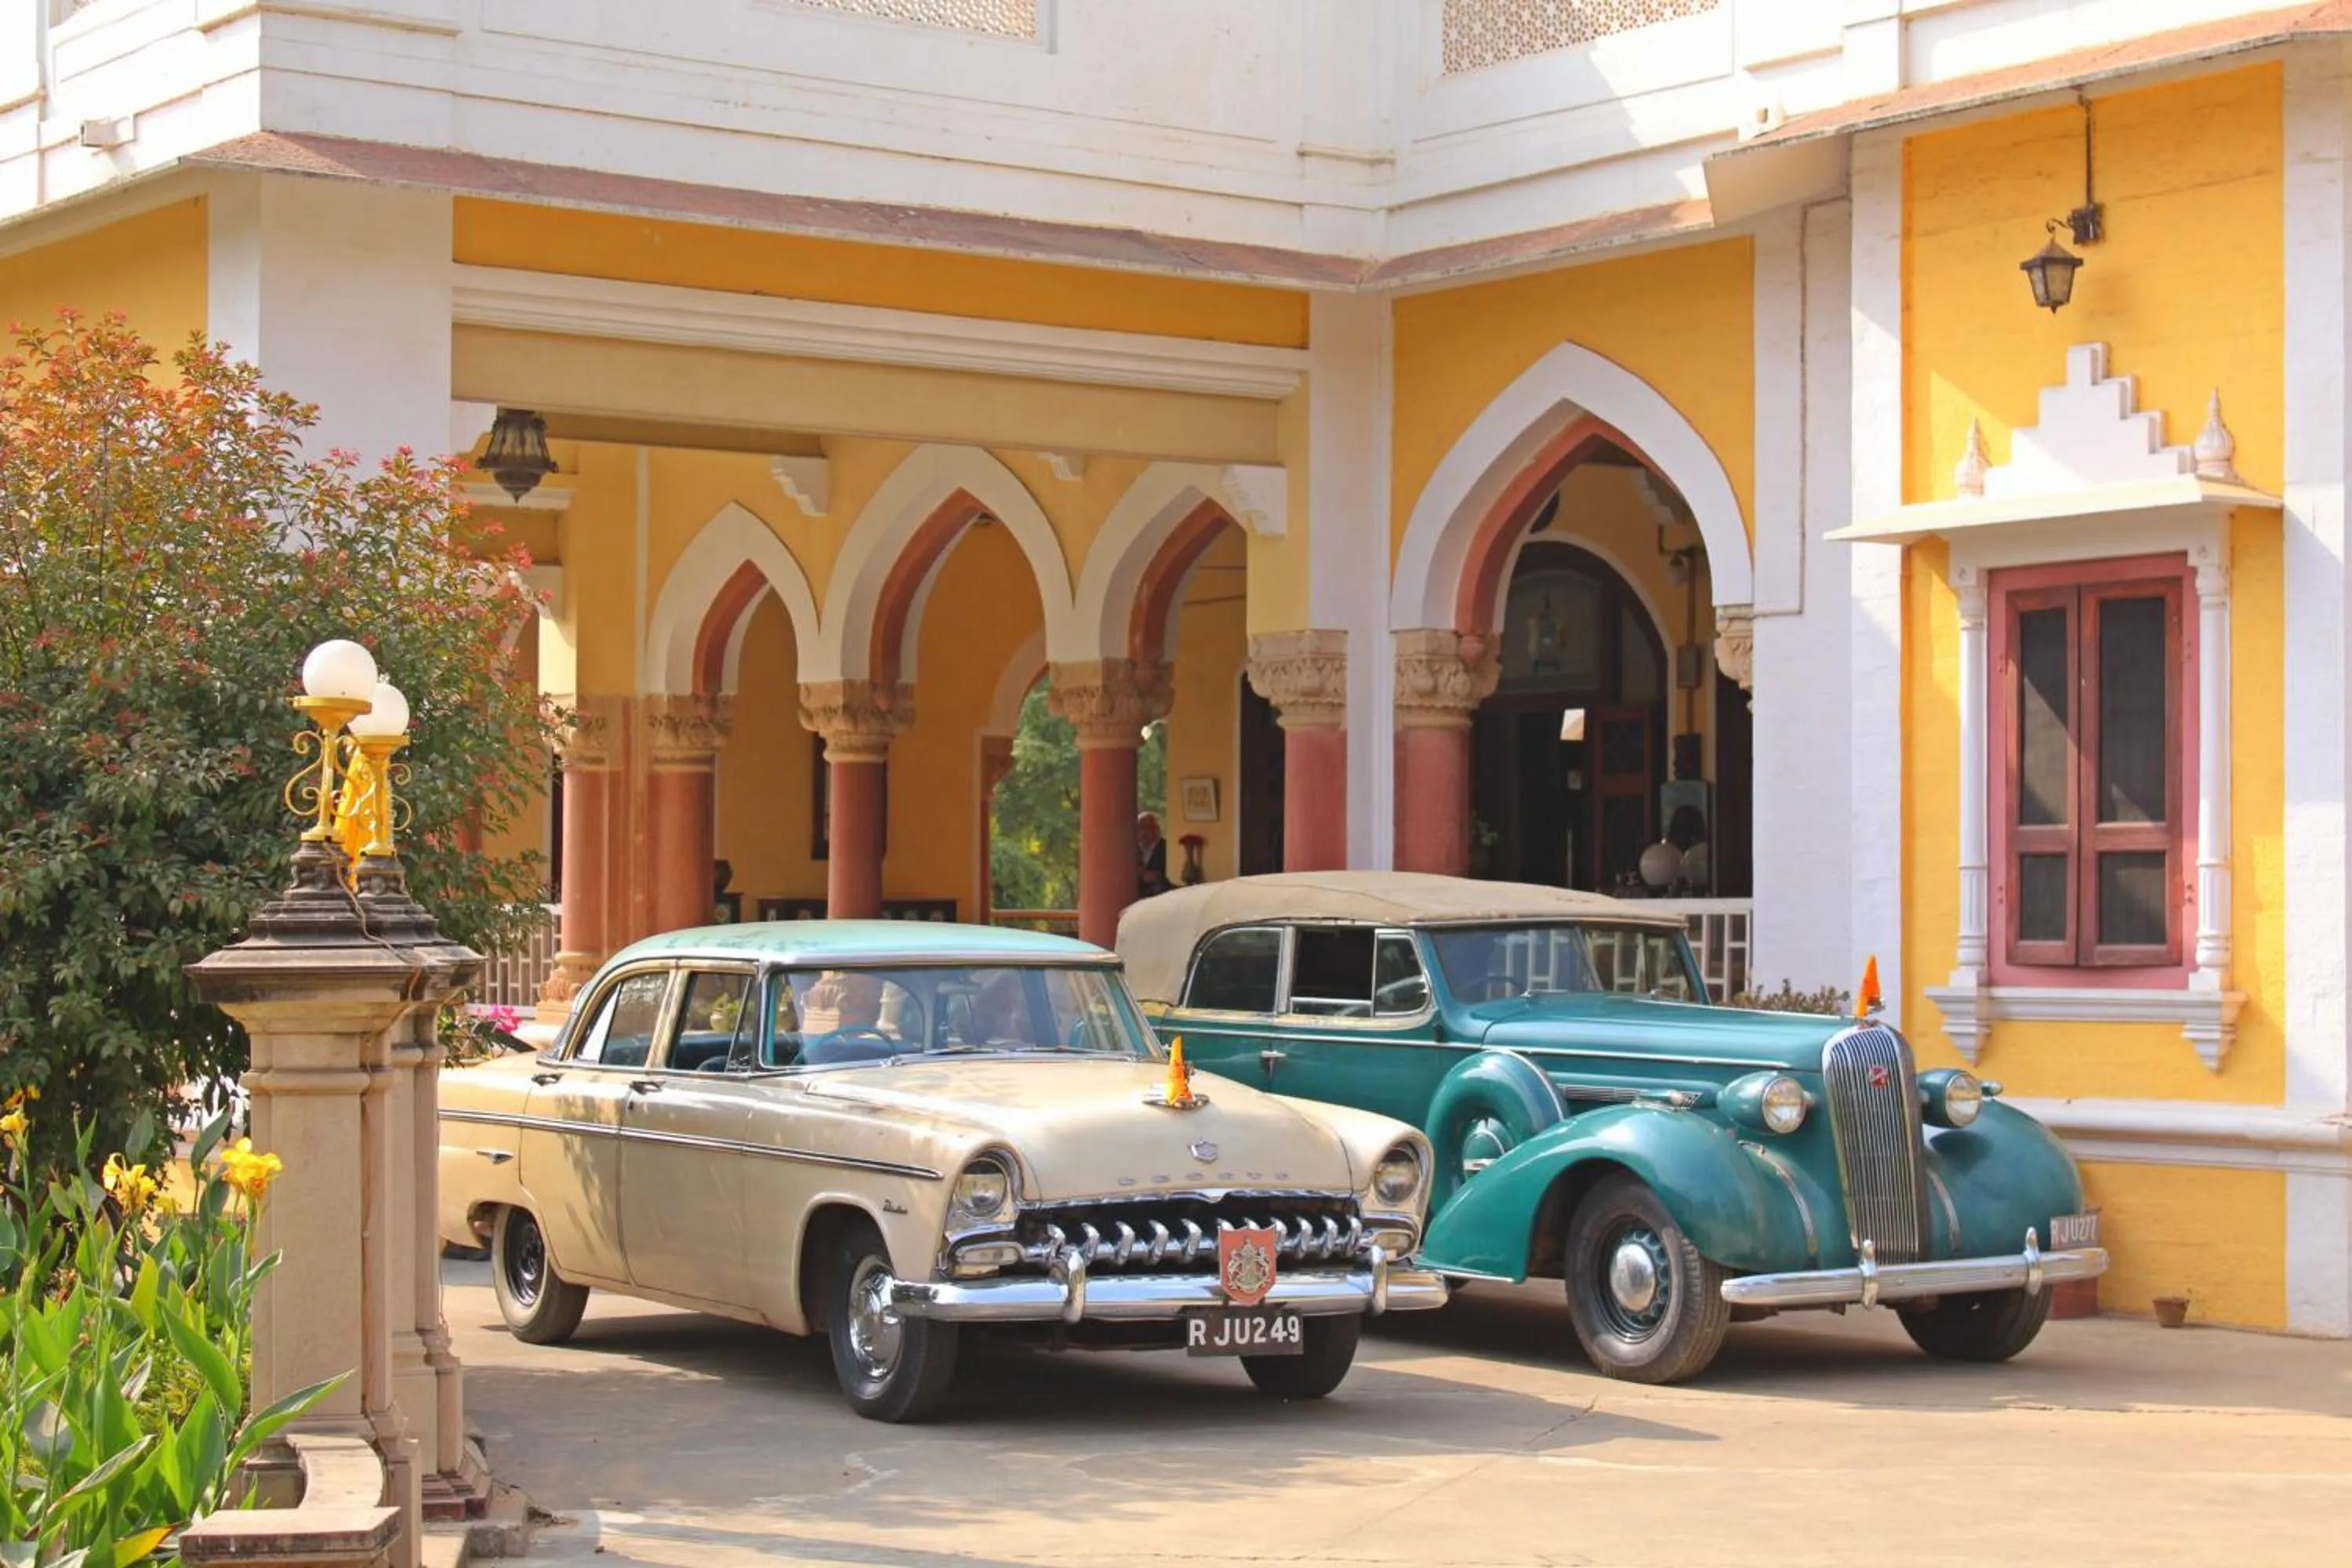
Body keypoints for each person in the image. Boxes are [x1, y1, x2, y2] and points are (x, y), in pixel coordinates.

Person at [1137, 811, 1173, 897]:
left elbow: (1174, 877)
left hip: (1159, 897)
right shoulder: (1130, 849)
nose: (1143, 833)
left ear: (1157, 830)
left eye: (1148, 828)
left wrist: (1157, 877)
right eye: (1140, 828)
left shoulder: (1168, 848)